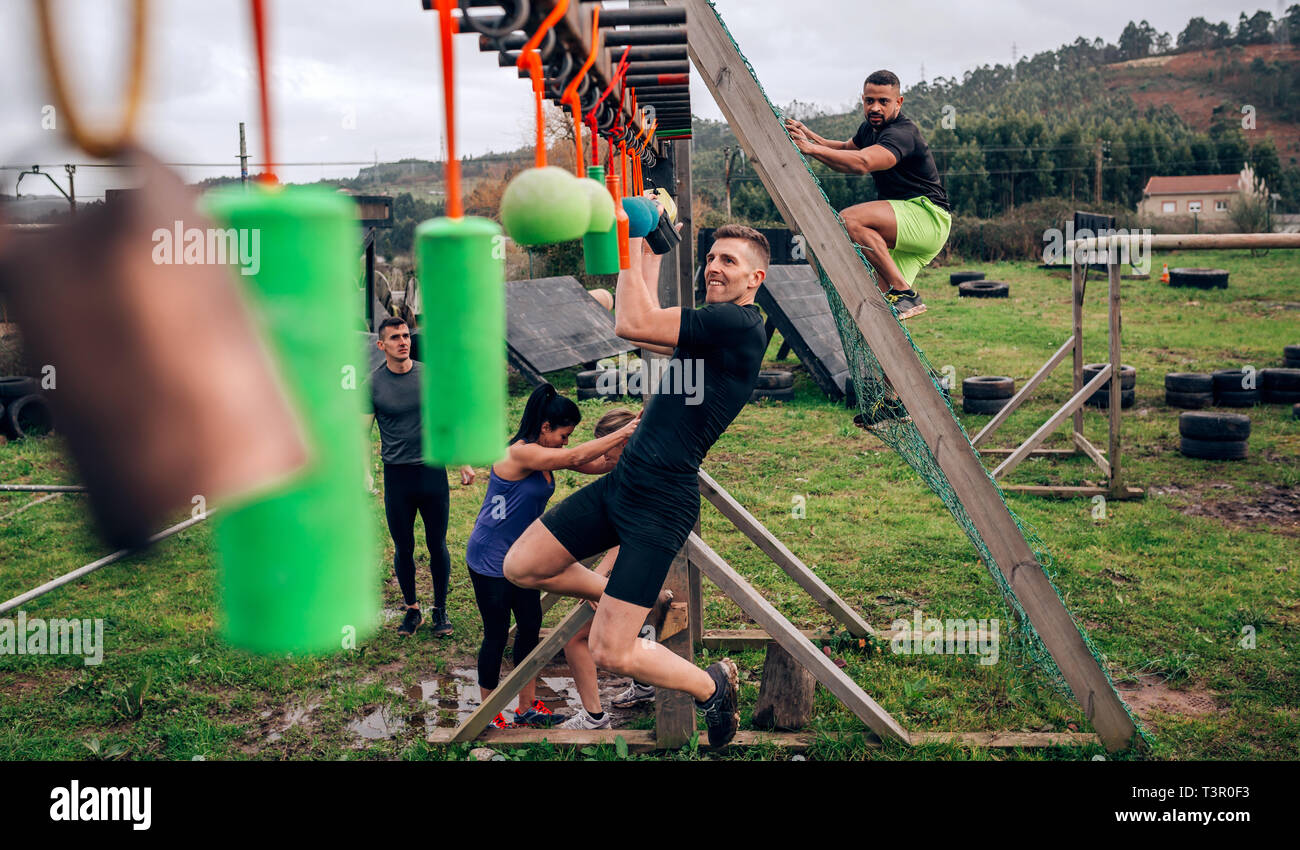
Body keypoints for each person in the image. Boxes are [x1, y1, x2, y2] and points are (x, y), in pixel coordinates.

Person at [503, 224, 770, 747]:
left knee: (611, 651)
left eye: (729, 262)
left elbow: (630, 319)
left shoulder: (738, 323)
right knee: (521, 566)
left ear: (754, 278)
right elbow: (640, 327)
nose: (714, 267)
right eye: (711, 257)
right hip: (625, 483)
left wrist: (627, 233)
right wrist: (651, 242)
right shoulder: (718, 325)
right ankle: (624, 599)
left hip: (661, 502)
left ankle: (711, 686)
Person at [465, 384, 640, 729]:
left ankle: (526, 707)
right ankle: (487, 712)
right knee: (497, 634)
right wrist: (625, 429)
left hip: (523, 558)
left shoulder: (546, 458)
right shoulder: (520, 453)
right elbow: (575, 457)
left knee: (529, 628)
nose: (566, 442)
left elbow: (596, 463)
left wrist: (629, 444)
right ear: (545, 428)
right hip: (489, 558)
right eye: (563, 435)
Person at [784, 69, 951, 321]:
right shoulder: (869, 129)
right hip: (903, 230)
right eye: (869, 100)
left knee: (849, 220)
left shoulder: (901, 133)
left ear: (899, 102)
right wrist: (810, 136)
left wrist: (809, 149)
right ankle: (893, 344)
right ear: (862, 99)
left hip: (928, 217)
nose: (875, 108)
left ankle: (904, 291)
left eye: (883, 101)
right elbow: (843, 148)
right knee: (879, 310)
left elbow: (861, 162)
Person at [365, 316, 472, 638]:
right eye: (395, 337)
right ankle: (412, 610)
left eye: (406, 336)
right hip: (397, 477)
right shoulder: (372, 383)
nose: (403, 341)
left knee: (437, 543)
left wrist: (463, 461)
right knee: (404, 546)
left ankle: (440, 609)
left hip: (432, 472)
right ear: (381, 345)